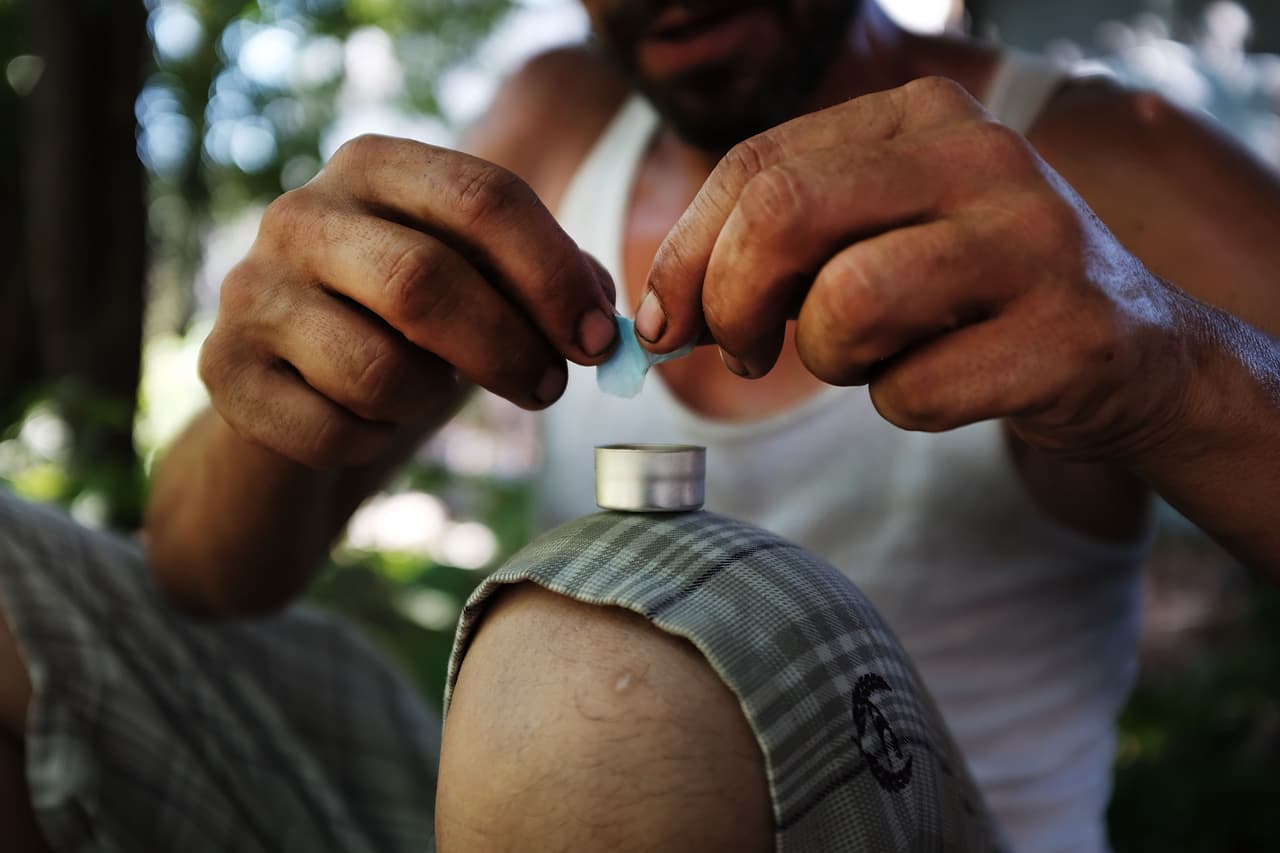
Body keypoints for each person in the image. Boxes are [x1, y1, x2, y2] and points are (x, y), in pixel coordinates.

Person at [2, 0, 1279, 850]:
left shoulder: (1101, 165)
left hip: (925, 815)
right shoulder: (550, 126)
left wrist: (1172, 364)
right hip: (531, 805)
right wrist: (284, 366)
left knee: (597, 674)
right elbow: (205, 573)